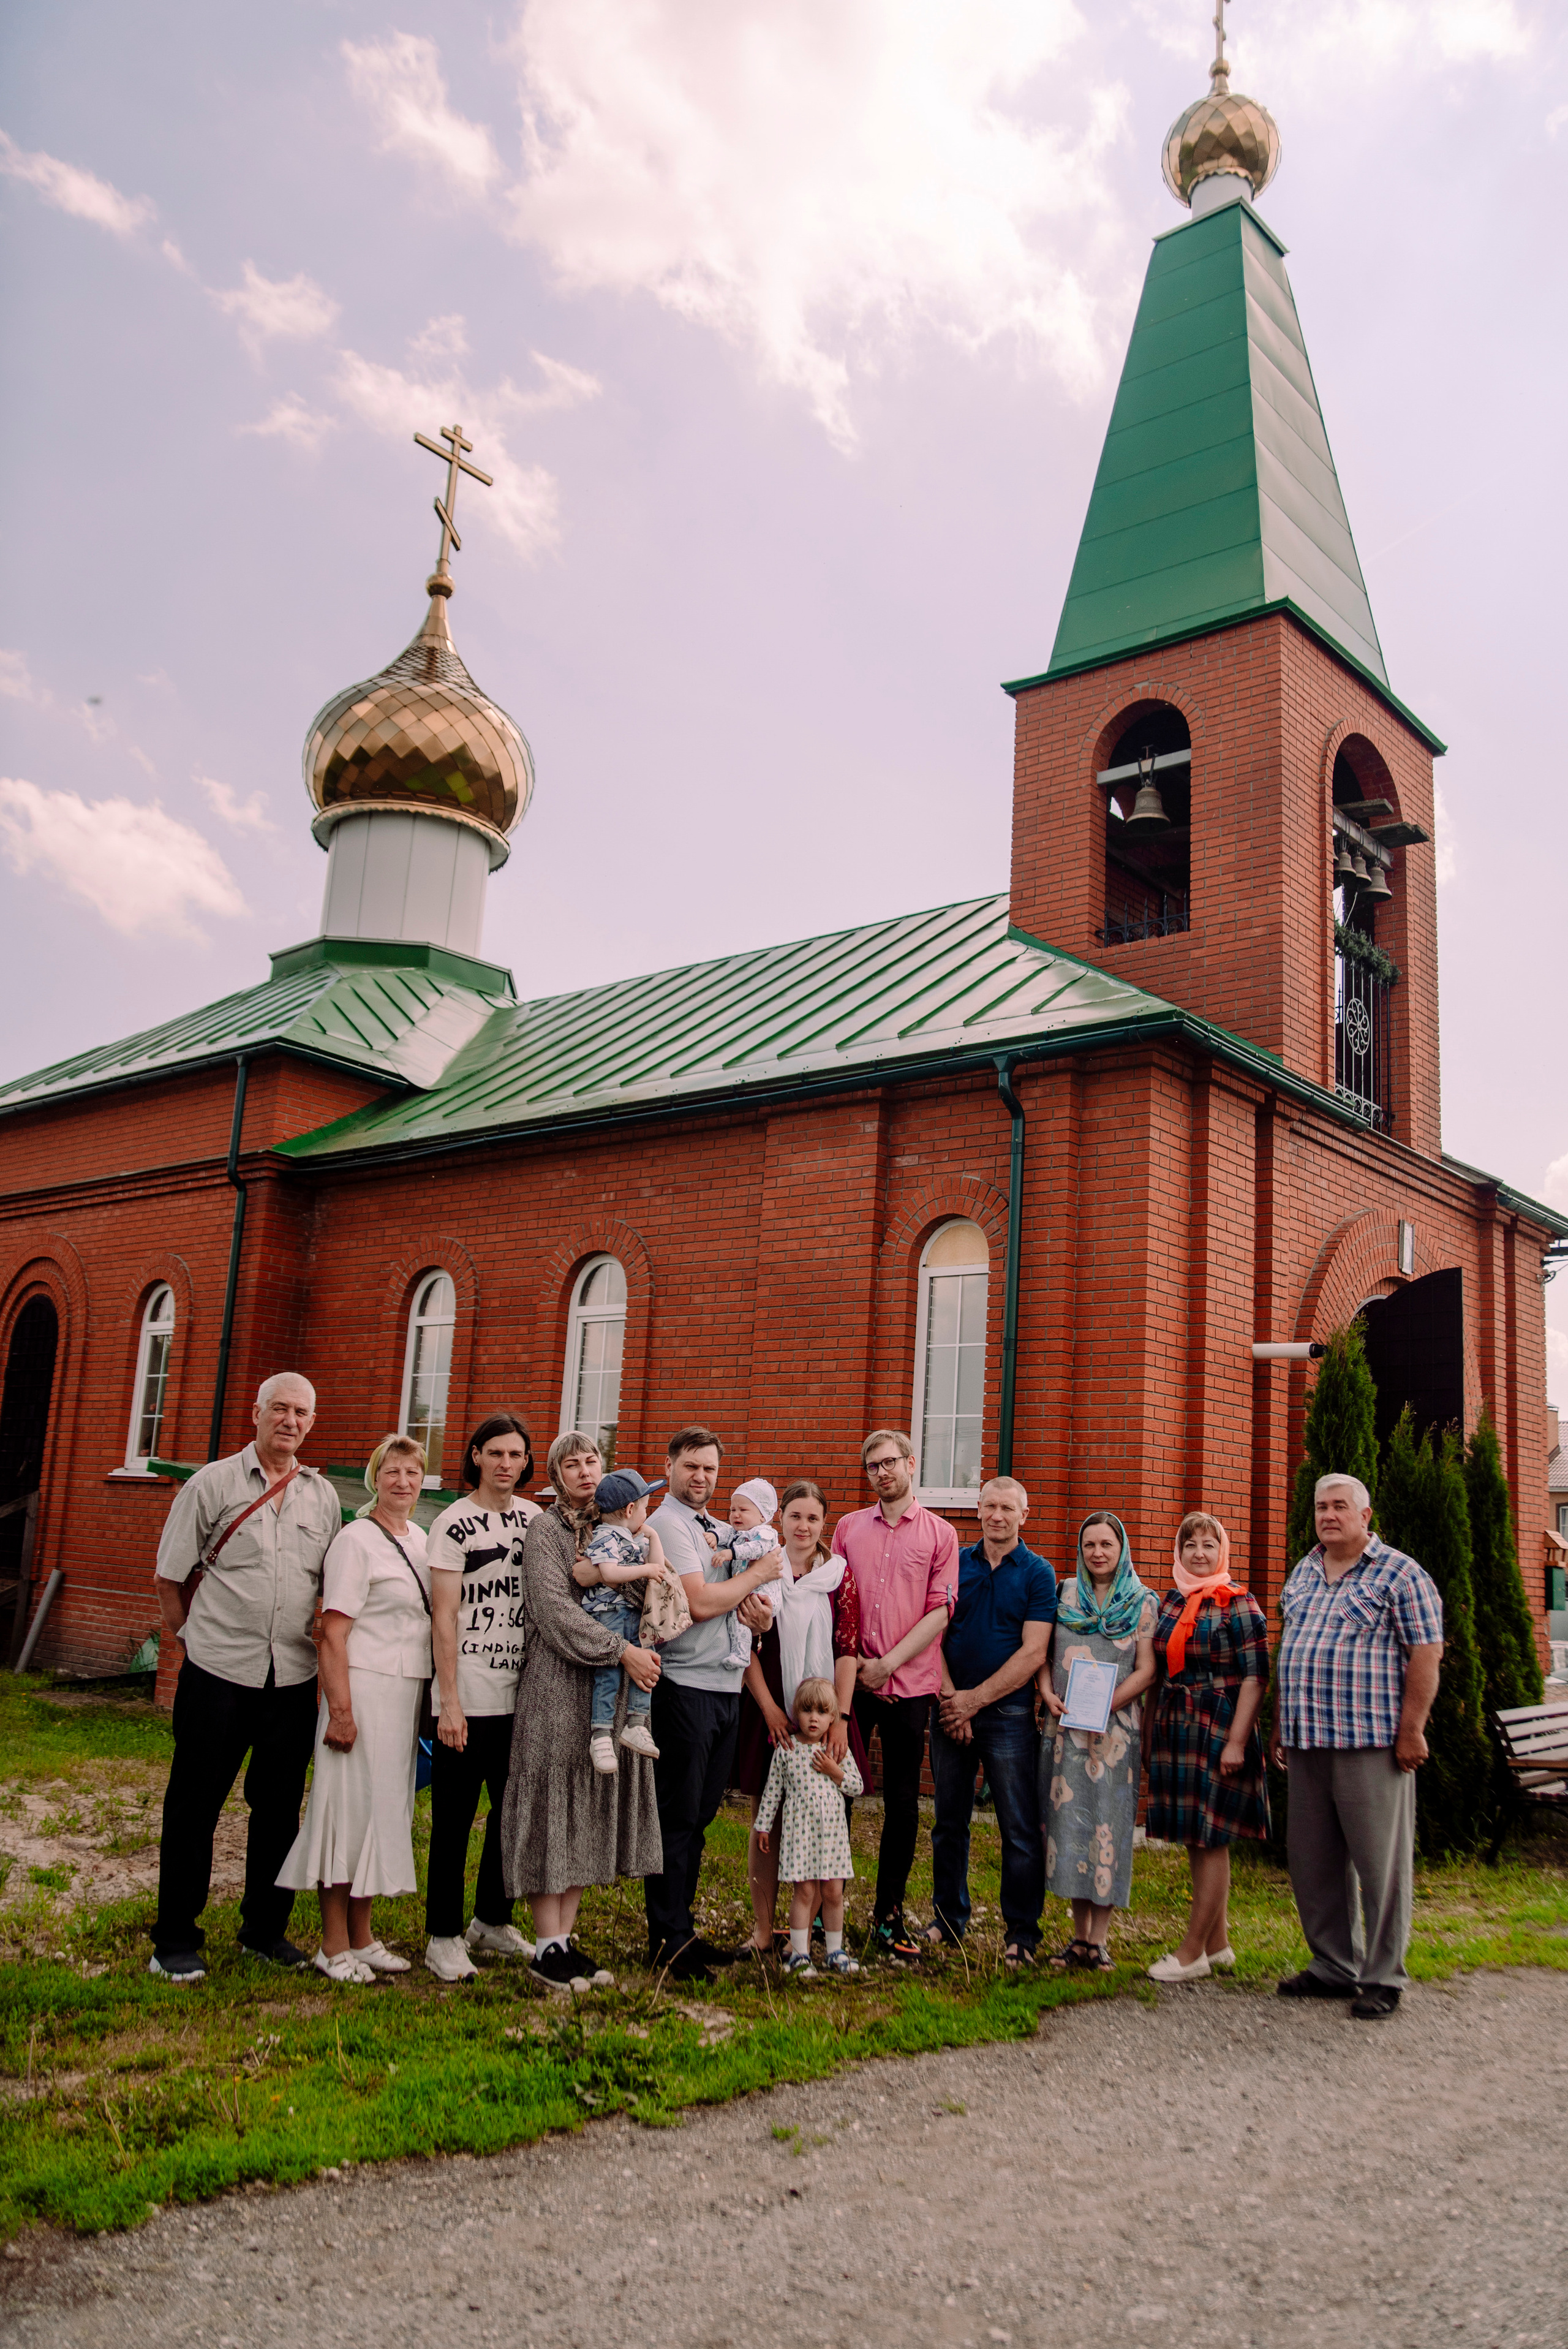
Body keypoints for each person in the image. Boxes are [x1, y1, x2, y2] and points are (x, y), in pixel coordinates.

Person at [149, 1371, 342, 1983]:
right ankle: (175, 1940)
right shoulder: (215, 1483)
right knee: (195, 1807)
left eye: (302, 1413)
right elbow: (169, 1577)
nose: (290, 1421)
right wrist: (193, 1640)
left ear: (312, 1423)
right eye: (279, 1409)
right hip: (217, 1674)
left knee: (279, 1810)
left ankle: (264, 1931)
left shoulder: (322, 1497)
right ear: (256, 1413)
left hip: (290, 1679)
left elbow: (327, 1589)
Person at [1271, 1472, 1444, 2021]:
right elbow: (1292, 1649)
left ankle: (1383, 1975)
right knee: (1313, 1862)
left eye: (1340, 1507)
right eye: (1321, 1507)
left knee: (1380, 1867)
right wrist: (1281, 1721)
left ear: (1365, 1516)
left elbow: (1426, 1654)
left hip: (1369, 1742)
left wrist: (1412, 1728)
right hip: (1306, 1740)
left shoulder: (1401, 1575)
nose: (1328, 1515)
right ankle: (1332, 1966)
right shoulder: (1304, 1570)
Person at [498, 1431, 664, 1989]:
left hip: (605, 1689)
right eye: (571, 1464)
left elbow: (645, 1592)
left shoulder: (614, 1527)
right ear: (555, 1475)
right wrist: (622, 1649)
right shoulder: (546, 1530)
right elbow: (551, 1610)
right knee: (553, 1807)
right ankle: (546, 1946)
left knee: (588, 1806)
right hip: (556, 1684)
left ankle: (565, 1942)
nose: (585, 1471)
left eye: (592, 1460)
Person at [277, 1435, 434, 1983]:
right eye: (392, 1471)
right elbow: (332, 1634)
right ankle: (333, 1945)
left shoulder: (420, 1539)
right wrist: (340, 1712)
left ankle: (364, 1938)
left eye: (412, 1473)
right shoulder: (355, 1540)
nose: (402, 1482)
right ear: (376, 1477)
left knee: (383, 1814)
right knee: (345, 1813)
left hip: (403, 1693)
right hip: (361, 1690)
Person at [643, 1426, 783, 1980]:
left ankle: (684, 1928)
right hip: (684, 1685)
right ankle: (667, 1939)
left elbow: (748, 1601)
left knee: (700, 1817)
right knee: (678, 1817)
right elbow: (700, 1603)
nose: (700, 1477)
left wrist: (762, 1613)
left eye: (710, 1470)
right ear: (671, 1465)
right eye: (691, 1466)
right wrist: (755, 1575)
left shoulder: (725, 1529)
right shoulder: (667, 1526)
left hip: (726, 1688)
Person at [831, 1429, 958, 1962]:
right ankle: (822, 1910)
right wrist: (861, 1665)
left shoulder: (940, 1533)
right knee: (835, 1795)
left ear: (910, 1464)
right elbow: (833, 1598)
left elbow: (941, 1610)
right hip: (853, 1682)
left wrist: (889, 1664)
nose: (882, 1473)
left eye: (890, 1463)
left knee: (903, 1805)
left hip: (908, 1686)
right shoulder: (847, 1528)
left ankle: (888, 1915)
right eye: (872, 1467)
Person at [424, 1412, 540, 1983]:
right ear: (475, 1456)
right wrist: (449, 1701)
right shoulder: (452, 1524)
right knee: (453, 1819)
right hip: (469, 1695)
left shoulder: (535, 1519)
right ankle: (442, 1936)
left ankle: (491, 1920)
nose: (506, 1464)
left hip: (523, 1698)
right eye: (496, 1453)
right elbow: (443, 1618)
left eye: (516, 1455)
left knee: (511, 1815)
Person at [734, 1478, 867, 1957]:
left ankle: (804, 1936)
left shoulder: (839, 1574)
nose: (804, 1526)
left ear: (823, 1522)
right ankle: (765, 1929)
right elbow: (742, 1642)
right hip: (768, 1706)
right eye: (795, 1516)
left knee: (822, 1819)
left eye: (813, 1518)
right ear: (781, 1520)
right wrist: (769, 1708)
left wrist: (840, 1719)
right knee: (764, 1822)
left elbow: (847, 1649)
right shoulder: (761, 1567)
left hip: (823, 1711)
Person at [932, 1477, 1056, 1964]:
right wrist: (951, 1700)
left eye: (1008, 1508)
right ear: (978, 1511)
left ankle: (1022, 1933)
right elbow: (934, 1631)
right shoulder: (954, 1564)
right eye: (989, 1507)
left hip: (1008, 1715)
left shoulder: (1038, 1573)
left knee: (1020, 1828)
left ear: (1024, 1515)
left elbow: (1033, 1653)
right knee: (948, 1823)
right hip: (948, 1708)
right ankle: (947, 1918)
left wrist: (974, 1702)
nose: (997, 1516)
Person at [1145, 1511, 1270, 1983]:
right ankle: (1218, 1945)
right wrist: (1150, 1727)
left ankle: (1191, 1952)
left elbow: (1257, 1677)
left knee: (1211, 1836)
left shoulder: (1240, 1604)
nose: (1199, 1552)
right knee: (1196, 1837)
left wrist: (1238, 1741)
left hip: (1219, 1727)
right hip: (1177, 1725)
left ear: (1223, 1552)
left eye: (1208, 1545)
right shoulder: (1173, 1602)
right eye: (1190, 1544)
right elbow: (1157, 1670)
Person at [1039, 1510, 1157, 1970]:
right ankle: (1077, 1936)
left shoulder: (1142, 1601)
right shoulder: (1064, 1593)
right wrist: (1048, 1693)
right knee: (1071, 1826)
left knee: (1108, 1827)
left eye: (1107, 1544)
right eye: (1090, 1545)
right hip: (1066, 1730)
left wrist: (1106, 1705)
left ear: (1121, 1548)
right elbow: (1045, 1654)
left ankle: (1099, 1942)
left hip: (1115, 1734)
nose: (1098, 1553)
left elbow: (1147, 1669)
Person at [754, 1676, 864, 1978]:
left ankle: (834, 1951)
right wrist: (763, 1826)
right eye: (806, 1711)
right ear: (796, 1713)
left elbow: (857, 1787)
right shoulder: (787, 1749)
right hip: (799, 1837)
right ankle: (799, 1955)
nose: (813, 1718)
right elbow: (773, 1792)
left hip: (832, 1838)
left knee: (833, 1894)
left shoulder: (836, 1751)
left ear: (832, 1718)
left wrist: (835, 1772)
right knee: (803, 1893)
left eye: (821, 1712)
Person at [582, 1469, 671, 1772]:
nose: (647, 1515)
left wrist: (653, 1534)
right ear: (631, 1509)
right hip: (609, 1614)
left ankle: (636, 1723)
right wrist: (644, 1571)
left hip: (631, 1615)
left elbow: (658, 1568)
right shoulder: (606, 1537)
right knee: (608, 1673)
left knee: (646, 1663)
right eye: (645, 1508)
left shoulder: (632, 1539)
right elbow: (609, 1574)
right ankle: (601, 1734)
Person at [719, 1478, 783, 1673]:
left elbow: (756, 1550)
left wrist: (732, 1553)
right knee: (735, 1616)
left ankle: (741, 1654)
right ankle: (738, 1652)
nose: (736, 1515)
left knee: (738, 1617)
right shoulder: (738, 1532)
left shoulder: (766, 1533)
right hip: (750, 1588)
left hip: (764, 1594)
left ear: (763, 1516)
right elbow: (725, 1533)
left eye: (743, 1510)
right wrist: (713, 1536)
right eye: (732, 1510)